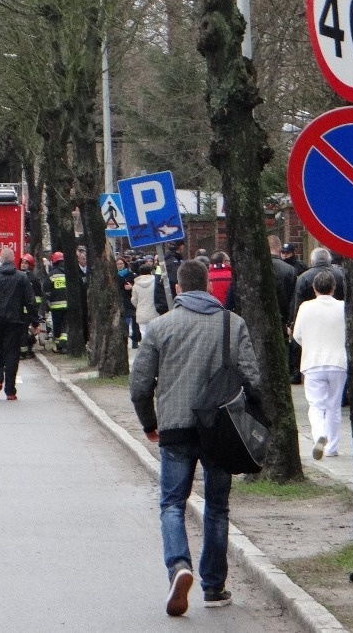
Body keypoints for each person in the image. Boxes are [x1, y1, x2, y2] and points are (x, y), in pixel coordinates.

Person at [130, 260, 262, 615]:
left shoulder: (159, 327)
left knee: (172, 504)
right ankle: (214, 587)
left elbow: (140, 384)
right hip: (220, 430)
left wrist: (148, 422)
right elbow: (254, 377)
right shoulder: (232, 324)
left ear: (178, 287)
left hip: (174, 426)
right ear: (208, 286)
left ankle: (179, 566)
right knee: (217, 508)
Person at [292, 270, 347, 459]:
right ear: (334, 288)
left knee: (316, 405)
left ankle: (319, 434)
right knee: (334, 406)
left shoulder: (305, 307)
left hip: (312, 361)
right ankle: (332, 447)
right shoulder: (343, 307)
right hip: (338, 362)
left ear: (314, 288)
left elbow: (297, 335)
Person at [0, 249, 39, 400]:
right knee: (12, 355)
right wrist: (35, 322)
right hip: (15, 323)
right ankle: (10, 391)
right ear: (13, 260)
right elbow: (31, 302)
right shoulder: (21, 277)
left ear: (0, 261)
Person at [290, 247, 344, 384]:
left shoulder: (303, 278)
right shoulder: (341, 276)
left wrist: (293, 324)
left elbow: (297, 306)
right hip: (336, 347)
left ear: (312, 260)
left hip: (312, 346)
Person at [19, 253, 44, 358]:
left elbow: (38, 296)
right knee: (23, 330)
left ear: (30, 265)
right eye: (22, 262)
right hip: (23, 309)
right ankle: (25, 350)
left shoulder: (32, 278)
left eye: (26, 263)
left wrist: (35, 308)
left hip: (27, 310)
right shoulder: (19, 276)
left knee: (24, 330)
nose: (23, 265)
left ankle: (24, 351)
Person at [44, 251, 68, 352]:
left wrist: (47, 302)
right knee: (65, 325)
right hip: (67, 304)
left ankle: (59, 345)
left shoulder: (51, 274)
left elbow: (46, 289)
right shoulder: (68, 273)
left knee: (57, 325)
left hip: (55, 306)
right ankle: (64, 345)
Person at [130, 264, 159, 335]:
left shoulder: (136, 285)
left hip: (141, 313)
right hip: (155, 311)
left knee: (144, 334)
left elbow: (133, 300)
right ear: (151, 271)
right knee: (156, 334)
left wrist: (139, 306)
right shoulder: (155, 282)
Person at [116, 257, 139, 348]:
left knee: (135, 322)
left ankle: (135, 341)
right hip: (121, 300)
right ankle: (124, 341)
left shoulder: (130, 274)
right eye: (118, 264)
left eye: (121, 263)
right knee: (125, 323)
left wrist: (131, 286)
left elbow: (134, 286)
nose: (120, 265)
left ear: (124, 264)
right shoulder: (114, 275)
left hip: (131, 300)